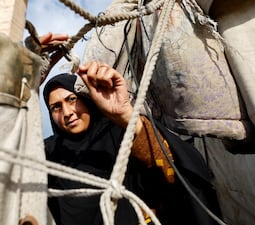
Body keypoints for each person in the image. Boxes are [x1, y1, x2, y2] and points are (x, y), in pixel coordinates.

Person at [42, 61, 222, 225]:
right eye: (56, 107)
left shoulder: (119, 131)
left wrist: (125, 115)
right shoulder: (49, 153)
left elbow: (175, 171)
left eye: (72, 99)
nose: (67, 112)